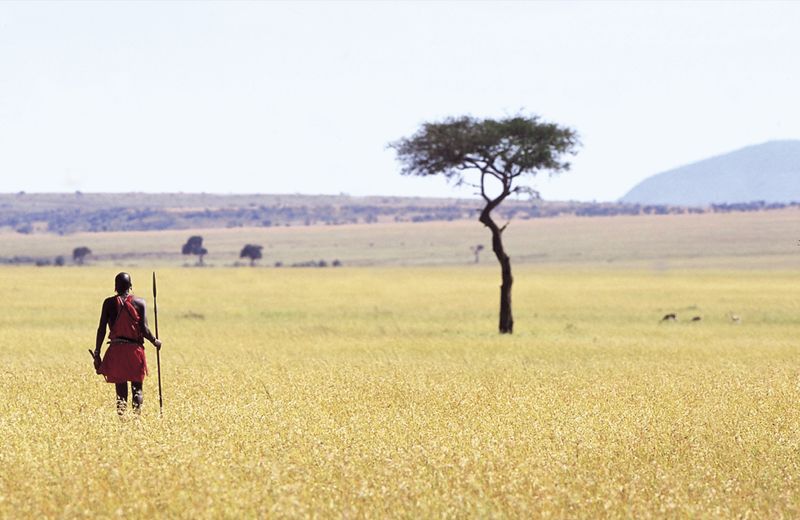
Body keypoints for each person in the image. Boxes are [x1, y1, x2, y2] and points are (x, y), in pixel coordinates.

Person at [93, 272, 162, 415]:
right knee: (137, 389)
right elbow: (144, 329)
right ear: (131, 286)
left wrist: (97, 352)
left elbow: (101, 329)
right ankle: (137, 420)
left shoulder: (108, 303)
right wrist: (155, 341)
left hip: (117, 351)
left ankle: (123, 422)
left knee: (121, 391)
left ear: (115, 287)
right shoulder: (140, 303)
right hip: (134, 351)